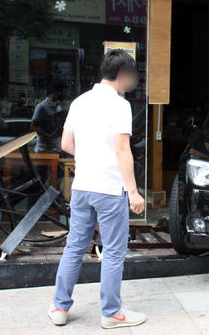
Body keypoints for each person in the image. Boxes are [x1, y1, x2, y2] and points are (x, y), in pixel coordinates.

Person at [48, 49, 146, 329]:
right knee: (114, 251)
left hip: (82, 187)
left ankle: (59, 307)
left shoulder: (80, 101)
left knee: (74, 247)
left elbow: (66, 144)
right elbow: (122, 149)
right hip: (110, 189)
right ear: (123, 75)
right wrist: (134, 191)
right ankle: (111, 313)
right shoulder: (120, 105)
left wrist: (89, 159)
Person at [31, 84, 65, 154]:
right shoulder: (41, 107)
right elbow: (33, 127)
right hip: (44, 150)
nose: (62, 94)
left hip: (57, 149)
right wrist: (48, 135)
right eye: (60, 92)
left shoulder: (58, 107)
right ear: (54, 93)